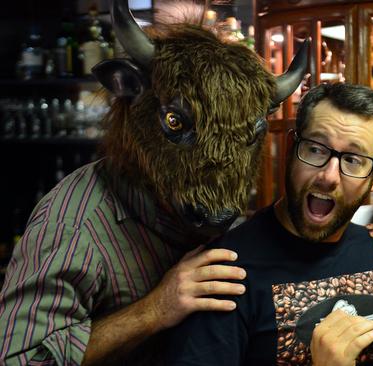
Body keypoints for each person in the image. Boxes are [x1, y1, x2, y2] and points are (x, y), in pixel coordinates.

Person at [0, 1, 308, 363]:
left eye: (247, 134)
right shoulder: (75, 223)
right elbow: (20, 359)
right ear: (128, 86)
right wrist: (154, 310)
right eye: (176, 124)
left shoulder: (224, 221)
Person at [164, 83, 373, 365]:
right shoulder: (223, 273)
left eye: (353, 159)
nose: (329, 176)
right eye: (315, 149)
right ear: (291, 148)